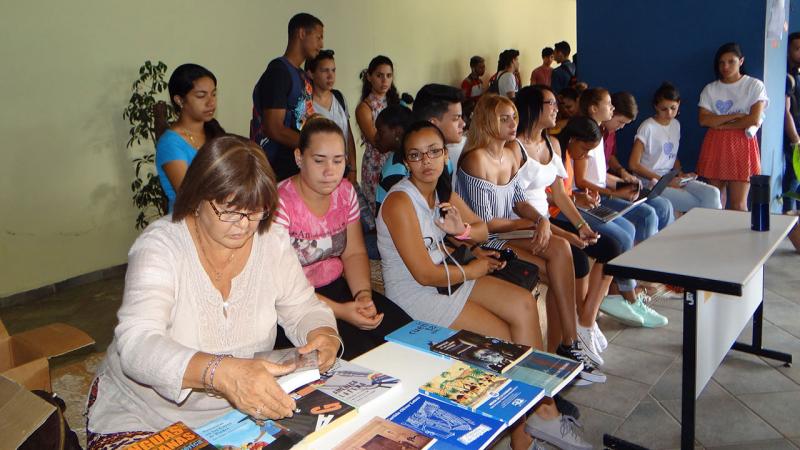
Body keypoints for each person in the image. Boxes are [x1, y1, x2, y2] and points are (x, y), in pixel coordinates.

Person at [85, 135, 340, 449]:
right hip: (144, 414)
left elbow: (302, 306)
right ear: (197, 197)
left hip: (242, 410)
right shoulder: (161, 247)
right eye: (229, 211)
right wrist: (222, 372)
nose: (243, 226)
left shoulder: (270, 237)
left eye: (255, 211)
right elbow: (137, 343)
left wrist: (324, 334)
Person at [377, 121, 590, 450]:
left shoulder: (439, 193)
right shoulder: (399, 202)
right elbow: (423, 275)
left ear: (444, 155)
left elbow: (480, 229)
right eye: (416, 155)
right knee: (504, 342)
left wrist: (459, 231)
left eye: (434, 152)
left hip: (448, 278)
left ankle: (537, 418)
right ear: (406, 162)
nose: (427, 161)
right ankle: (533, 425)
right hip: (418, 296)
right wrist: (474, 270)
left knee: (522, 303)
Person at [456, 94, 605, 384]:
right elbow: (485, 224)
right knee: (556, 263)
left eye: (514, 116)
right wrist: (534, 223)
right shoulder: (475, 159)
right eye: (504, 118)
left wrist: (541, 220)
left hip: (510, 231)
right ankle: (565, 351)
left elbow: (518, 198)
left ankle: (569, 347)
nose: (513, 123)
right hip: (486, 240)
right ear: (487, 121)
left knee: (561, 250)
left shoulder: (510, 151)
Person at [274, 117, 412, 360]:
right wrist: (341, 312)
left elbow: (354, 252)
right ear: (299, 158)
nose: (330, 171)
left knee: (406, 337)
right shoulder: (280, 202)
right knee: (362, 358)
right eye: (319, 161)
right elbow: (279, 286)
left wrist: (362, 296)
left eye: (338, 161)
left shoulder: (345, 192)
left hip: (338, 288)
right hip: (295, 304)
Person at [514, 86, 620, 365]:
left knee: (609, 246)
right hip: (528, 224)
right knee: (575, 259)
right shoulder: (514, 147)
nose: (557, 108)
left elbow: (559, 193)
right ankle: (567, 344)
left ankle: (581, 326)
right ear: (532, 107)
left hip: (548, 222)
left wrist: (581, 225)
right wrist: (570, 236)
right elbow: (515, 202)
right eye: (550, 103)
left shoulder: (552, 144)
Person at [251, 13, 323, 181]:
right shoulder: (279, 72)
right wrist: (313, 145)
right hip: (275, 168)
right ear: (302, 33)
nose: (321, 44)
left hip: (294, 164)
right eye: (318, 37)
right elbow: (273, 128)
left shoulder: (302, 76)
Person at [697, 42, 768, 211]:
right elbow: (704, 120)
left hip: (742, 142)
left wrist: (720, 123)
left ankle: (738, 237)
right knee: (714, 201)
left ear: (741, 61)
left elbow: (753, 119)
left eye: (731, 62)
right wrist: (735, 116)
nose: (725, 66)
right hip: (716, 143)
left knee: (739, 203)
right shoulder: (710, 89)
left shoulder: (754, 85)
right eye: (721, 62)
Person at [629, 82, 722, 212]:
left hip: (670, 177)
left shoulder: (676, 125)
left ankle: (706, 230)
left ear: (678, 104)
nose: (669, 113)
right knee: (697, 202)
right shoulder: (647, 127)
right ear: (656, 107)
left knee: (713, 193)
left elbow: (671, 154)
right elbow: (633, 164)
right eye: (664, 109)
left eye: (673, 108)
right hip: (650, 182)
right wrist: (663, 180)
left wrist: (682, 174)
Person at [376, 84, 464, 212]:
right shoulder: (397, 170)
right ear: (433, 123)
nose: (463, 123)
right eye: (456, 118)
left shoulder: (445, 158)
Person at [156, 64, 225, 212]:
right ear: (179, 100)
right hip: (187, 223)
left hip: (219, 218)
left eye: (213, 94)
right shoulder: (170, 143)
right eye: (201, 96)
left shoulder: (213, 130)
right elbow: (191, 198)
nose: (211, 102)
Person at [602, 92, 675, 231]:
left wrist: (622, 172)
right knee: (648, 214)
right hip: (602, 186)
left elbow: (610, 157)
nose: (621, 127)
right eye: (620, 122)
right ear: (610, 112)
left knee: (664, 205)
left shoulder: (610, 132)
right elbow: (594, 176)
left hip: (610, 180)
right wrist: (619, 186)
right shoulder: (593, 134)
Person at [356, 55, 401, 218]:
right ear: (369, 77)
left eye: (388, 76)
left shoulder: (396, 103)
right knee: (379, 210)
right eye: (379, 75)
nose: (384, 80)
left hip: (396, 160)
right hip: (376, 164)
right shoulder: (364, 108)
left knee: (396, 206)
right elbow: (378, 142)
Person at [304, 49, 357, 187]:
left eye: (333, 70)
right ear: (311, 73)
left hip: (343, 168)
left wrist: (353, 167)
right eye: (324, 71)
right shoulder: (306, 104)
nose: (330, 76)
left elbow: (348, 135)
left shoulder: (339, 97)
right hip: (322, 172)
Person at [373, 105, 414, 214]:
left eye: (380, 132)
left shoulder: (398, 169)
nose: (375, 138)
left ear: (398, 132)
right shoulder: (396, 167)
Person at [784, 32, 800, 212]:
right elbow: (785, 111)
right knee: (792, 184)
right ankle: (791, 228)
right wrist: (795, 139)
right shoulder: (788, 77)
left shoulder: (797, 74)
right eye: (797, 49)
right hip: (794, 141)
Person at [461, 55, 486, 124]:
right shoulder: (467, 83)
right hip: (471, 116)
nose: (483, 69)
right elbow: (463, 101)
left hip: (480, 112)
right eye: (480, 67)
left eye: (484, 67)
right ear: (473, 68)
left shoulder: (480, 81)